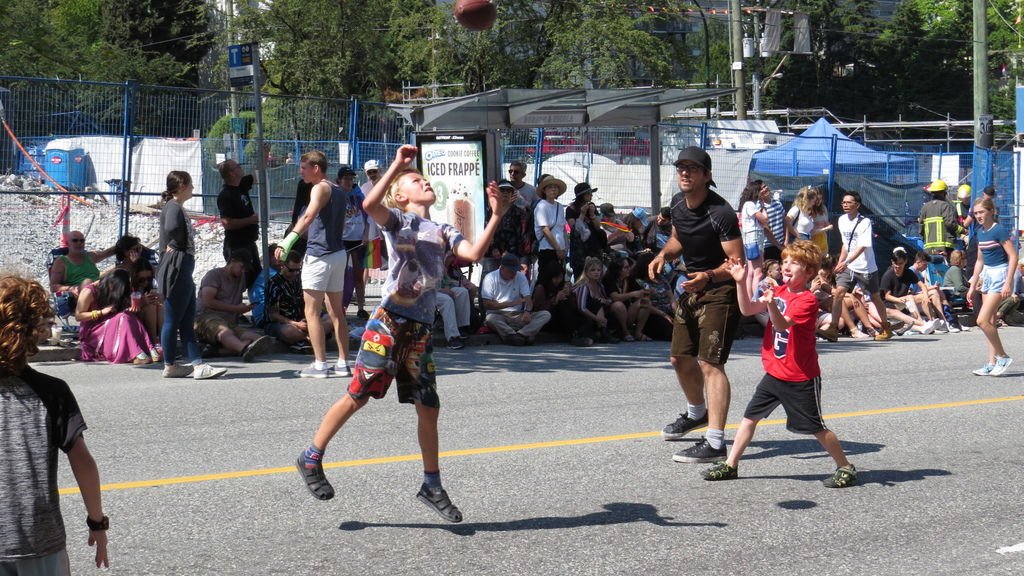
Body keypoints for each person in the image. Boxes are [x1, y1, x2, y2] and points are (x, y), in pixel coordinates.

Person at [295, 144, 515, 523]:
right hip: (389, 322)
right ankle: (311, 456)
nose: (425, 181)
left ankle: (432, 484)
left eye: (423, 178)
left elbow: (475, 253)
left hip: (419, 330)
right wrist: (398, 165)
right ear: (400, 195)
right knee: (359, 395)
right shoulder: (398, 221)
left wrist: (496, 216)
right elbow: (368, 206)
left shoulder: (443, 229)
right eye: (417, 180)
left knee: (429, 406)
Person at [700, 241, 857, 488]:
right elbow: (748, 308)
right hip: (774, 372)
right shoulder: (780, 291)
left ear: (808, 272)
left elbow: (782, 324)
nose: (786, 266)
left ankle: (845, 466)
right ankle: (731, 465)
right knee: (749, 418)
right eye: (785, 261)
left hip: (800, 377)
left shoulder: (807, 301)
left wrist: (771, 302)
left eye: (794, 262)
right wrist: (741, 282)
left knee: (815, 427)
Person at [0, 275, 110, 573]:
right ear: (33, 330)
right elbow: (83, 462)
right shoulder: (51, 391)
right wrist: (97, 523)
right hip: (38, 541)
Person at [649, 147, 743, 464]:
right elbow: (679, 240)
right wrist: (664, 255)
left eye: (692, 169)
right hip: (691, 288)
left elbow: (736, 263)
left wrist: (708, 276)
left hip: (720, 292)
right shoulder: (677, 204)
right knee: (679, 358)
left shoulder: (721, 213)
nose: (685, 173)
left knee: (710, 364)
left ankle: (715, 443)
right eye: (681, 168)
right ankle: (696, 413)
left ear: (707, 175)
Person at [279, 151, 352, 378]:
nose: (301, 172)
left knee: (311, 311)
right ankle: (342, 363)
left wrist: (287, 241)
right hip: (339, 254)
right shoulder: (339, 190)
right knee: (336, 312)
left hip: (319, 256)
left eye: (304, 168)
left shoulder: (319, 188)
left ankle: (320, 365)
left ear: (316, 168)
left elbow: (309, 216)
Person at [156, 171, 227, 380]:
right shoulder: (173, 208)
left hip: (182, 266)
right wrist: (175, 244)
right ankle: (172, 364)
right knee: (173, 319)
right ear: (182, 186)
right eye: (191, 185)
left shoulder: (176, 207)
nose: (193, 188)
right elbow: (172, 228)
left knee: (185, 320)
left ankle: (193, 364)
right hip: (177, 267)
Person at [817, 192, 893, 342]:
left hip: (865, 267)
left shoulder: (865, 222)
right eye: (843, 202)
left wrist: (846, 262)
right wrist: (841, 261)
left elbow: (862, 246)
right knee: (838, 293)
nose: (845, 204)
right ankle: (833, 328)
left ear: (857, 205)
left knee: (875, 297)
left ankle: (885, 327)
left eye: (849, 202)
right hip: (848, 266)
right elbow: (847, 244)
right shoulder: (842, 220)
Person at [194, 251, 275, 362]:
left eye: (245, 269)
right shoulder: (213, 275)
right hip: (206, 318)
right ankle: (243, 349)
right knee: (226, 332)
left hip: (228, 322)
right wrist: (236, 309)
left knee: (259, 340)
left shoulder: (240, 278)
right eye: (241, 267)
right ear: (232, 261)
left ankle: (219, 351)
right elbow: (208, 301)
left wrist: (244, 308)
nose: (243, 271)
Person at [967, 197, 1017, 376]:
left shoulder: (999, 231)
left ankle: (1002, 356)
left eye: (982, 212)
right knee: (990, 322)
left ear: (991, 211)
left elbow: (1013, 256)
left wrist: (1009, 282)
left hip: (1000, 274)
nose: (978, 216)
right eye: (976, 213)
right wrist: (973, 284)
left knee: (981, 321)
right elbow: (980, 260)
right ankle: (991, 362)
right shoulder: (980, 231)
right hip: (987, 275)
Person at [75, 269, 158, 364]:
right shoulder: (89, 291)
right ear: (111, 284)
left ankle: (147, 347)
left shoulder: (114, 290)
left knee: (127, 315)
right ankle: (136, 353)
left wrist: (139, 303)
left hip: (111, 322)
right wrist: (101, 312)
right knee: (123, 317)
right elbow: (79, 316)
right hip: (92, 330)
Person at [481, 253, 553, 345]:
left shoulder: (520, 276)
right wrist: (511, 303)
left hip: (518, 315)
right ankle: (521, 334)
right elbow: (487, 304)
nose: (514, 274)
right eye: (511, 271)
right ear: (502, 268)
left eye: (515, 271)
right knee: (490, 318)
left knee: (545, 315)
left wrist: (527, 311)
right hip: (499, 315)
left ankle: (519, 335)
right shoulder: (490, 278)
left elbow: (528, 299)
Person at [265, 251, 332, 348]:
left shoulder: (301, 280)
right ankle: (313, 336)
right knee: (288, 331)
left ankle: (308, 337)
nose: (295, 273)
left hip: (303, 321)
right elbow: (273, 314)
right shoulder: (273, 284)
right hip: (283, 323)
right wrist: (295, 324)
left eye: (298, 270)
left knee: (331, 318)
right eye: (292, 270)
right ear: (283, 265)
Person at [217, 159, 262, 289]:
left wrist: (263, 156)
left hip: (249, 243)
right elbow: (227, 223)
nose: (240, 167)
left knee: (255, 280)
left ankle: (256, 308)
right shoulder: (225, 196)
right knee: (239, 283)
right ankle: (232, 307)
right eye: (237, 166)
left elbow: (258, 174)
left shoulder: (241, 186)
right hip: (237, 246)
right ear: (231, 173)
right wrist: (250, 220)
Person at [337, 165, 370, 319]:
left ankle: (361, 307)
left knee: (359, 275)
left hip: (358, 240)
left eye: (351, 179)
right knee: (341, 275)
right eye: (346, 179)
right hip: (342, 240)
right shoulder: (335, 196)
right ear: (339, 180)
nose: (349, 182)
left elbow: (367, 218)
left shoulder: (358, 196)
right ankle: (340, 306)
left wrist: (365, 235)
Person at [49, 230, 116, 302]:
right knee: (88, 282)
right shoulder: (61, 262)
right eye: (75, 240)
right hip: (82, 294)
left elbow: (106, 253)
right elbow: (53, 286)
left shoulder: (90, 256)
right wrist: (70, 288)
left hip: (99, 287)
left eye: (82, 241)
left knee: (120, 271)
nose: (79, 243)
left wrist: (120, 245)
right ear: (67, 243)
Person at [484, 179, 532, 276]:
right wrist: (493, 249)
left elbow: (521, 236)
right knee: (489, 281)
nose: (505, 193)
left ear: (512, 193)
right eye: (502, 190)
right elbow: (487, 232)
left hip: (512, 256)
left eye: (508, 190)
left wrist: (509, 252)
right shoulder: (490, 211)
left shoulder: (519, 213)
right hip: (492, 254)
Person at [566, 182, 607, 280]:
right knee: (580, 277)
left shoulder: (591, 206)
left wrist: (592, 214)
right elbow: (575, 229)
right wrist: (582, 214)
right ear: (582, 195)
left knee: (596, 275)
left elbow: (598, 227)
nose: (591, 195)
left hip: (594, 246)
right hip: (579, 249)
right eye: (589, 193)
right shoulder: (570, 209)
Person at [534, 176, 568, 287]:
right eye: (550, 187)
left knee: (559, 281)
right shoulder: (541, 206)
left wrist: (565, 248)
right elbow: (545, 230)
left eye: (555, 187)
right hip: (547, 249)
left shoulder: (559, 207)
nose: (553, 190)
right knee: (545, 280)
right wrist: (557, 249)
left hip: (560, 250)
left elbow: (563, 229)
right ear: (544, 190)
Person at [360, 159, 387, 299]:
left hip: (388, 230)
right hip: (371, 231)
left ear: (380, 170)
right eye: (369, 172)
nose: (372, 174)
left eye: (374, 171)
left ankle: (390, 294)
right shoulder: (364, 187)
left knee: (392, 263)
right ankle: (361, 294)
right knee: (367, 264)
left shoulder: (389, 185)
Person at [919, 179, 961, 258]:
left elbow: (921, 228)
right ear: (943, 193)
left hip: (929, 247)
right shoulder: (945, 206)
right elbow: (950, 224)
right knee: (944, 269)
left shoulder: (925, 207)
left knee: (932, 269)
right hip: (944, 247)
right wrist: (962, 230)